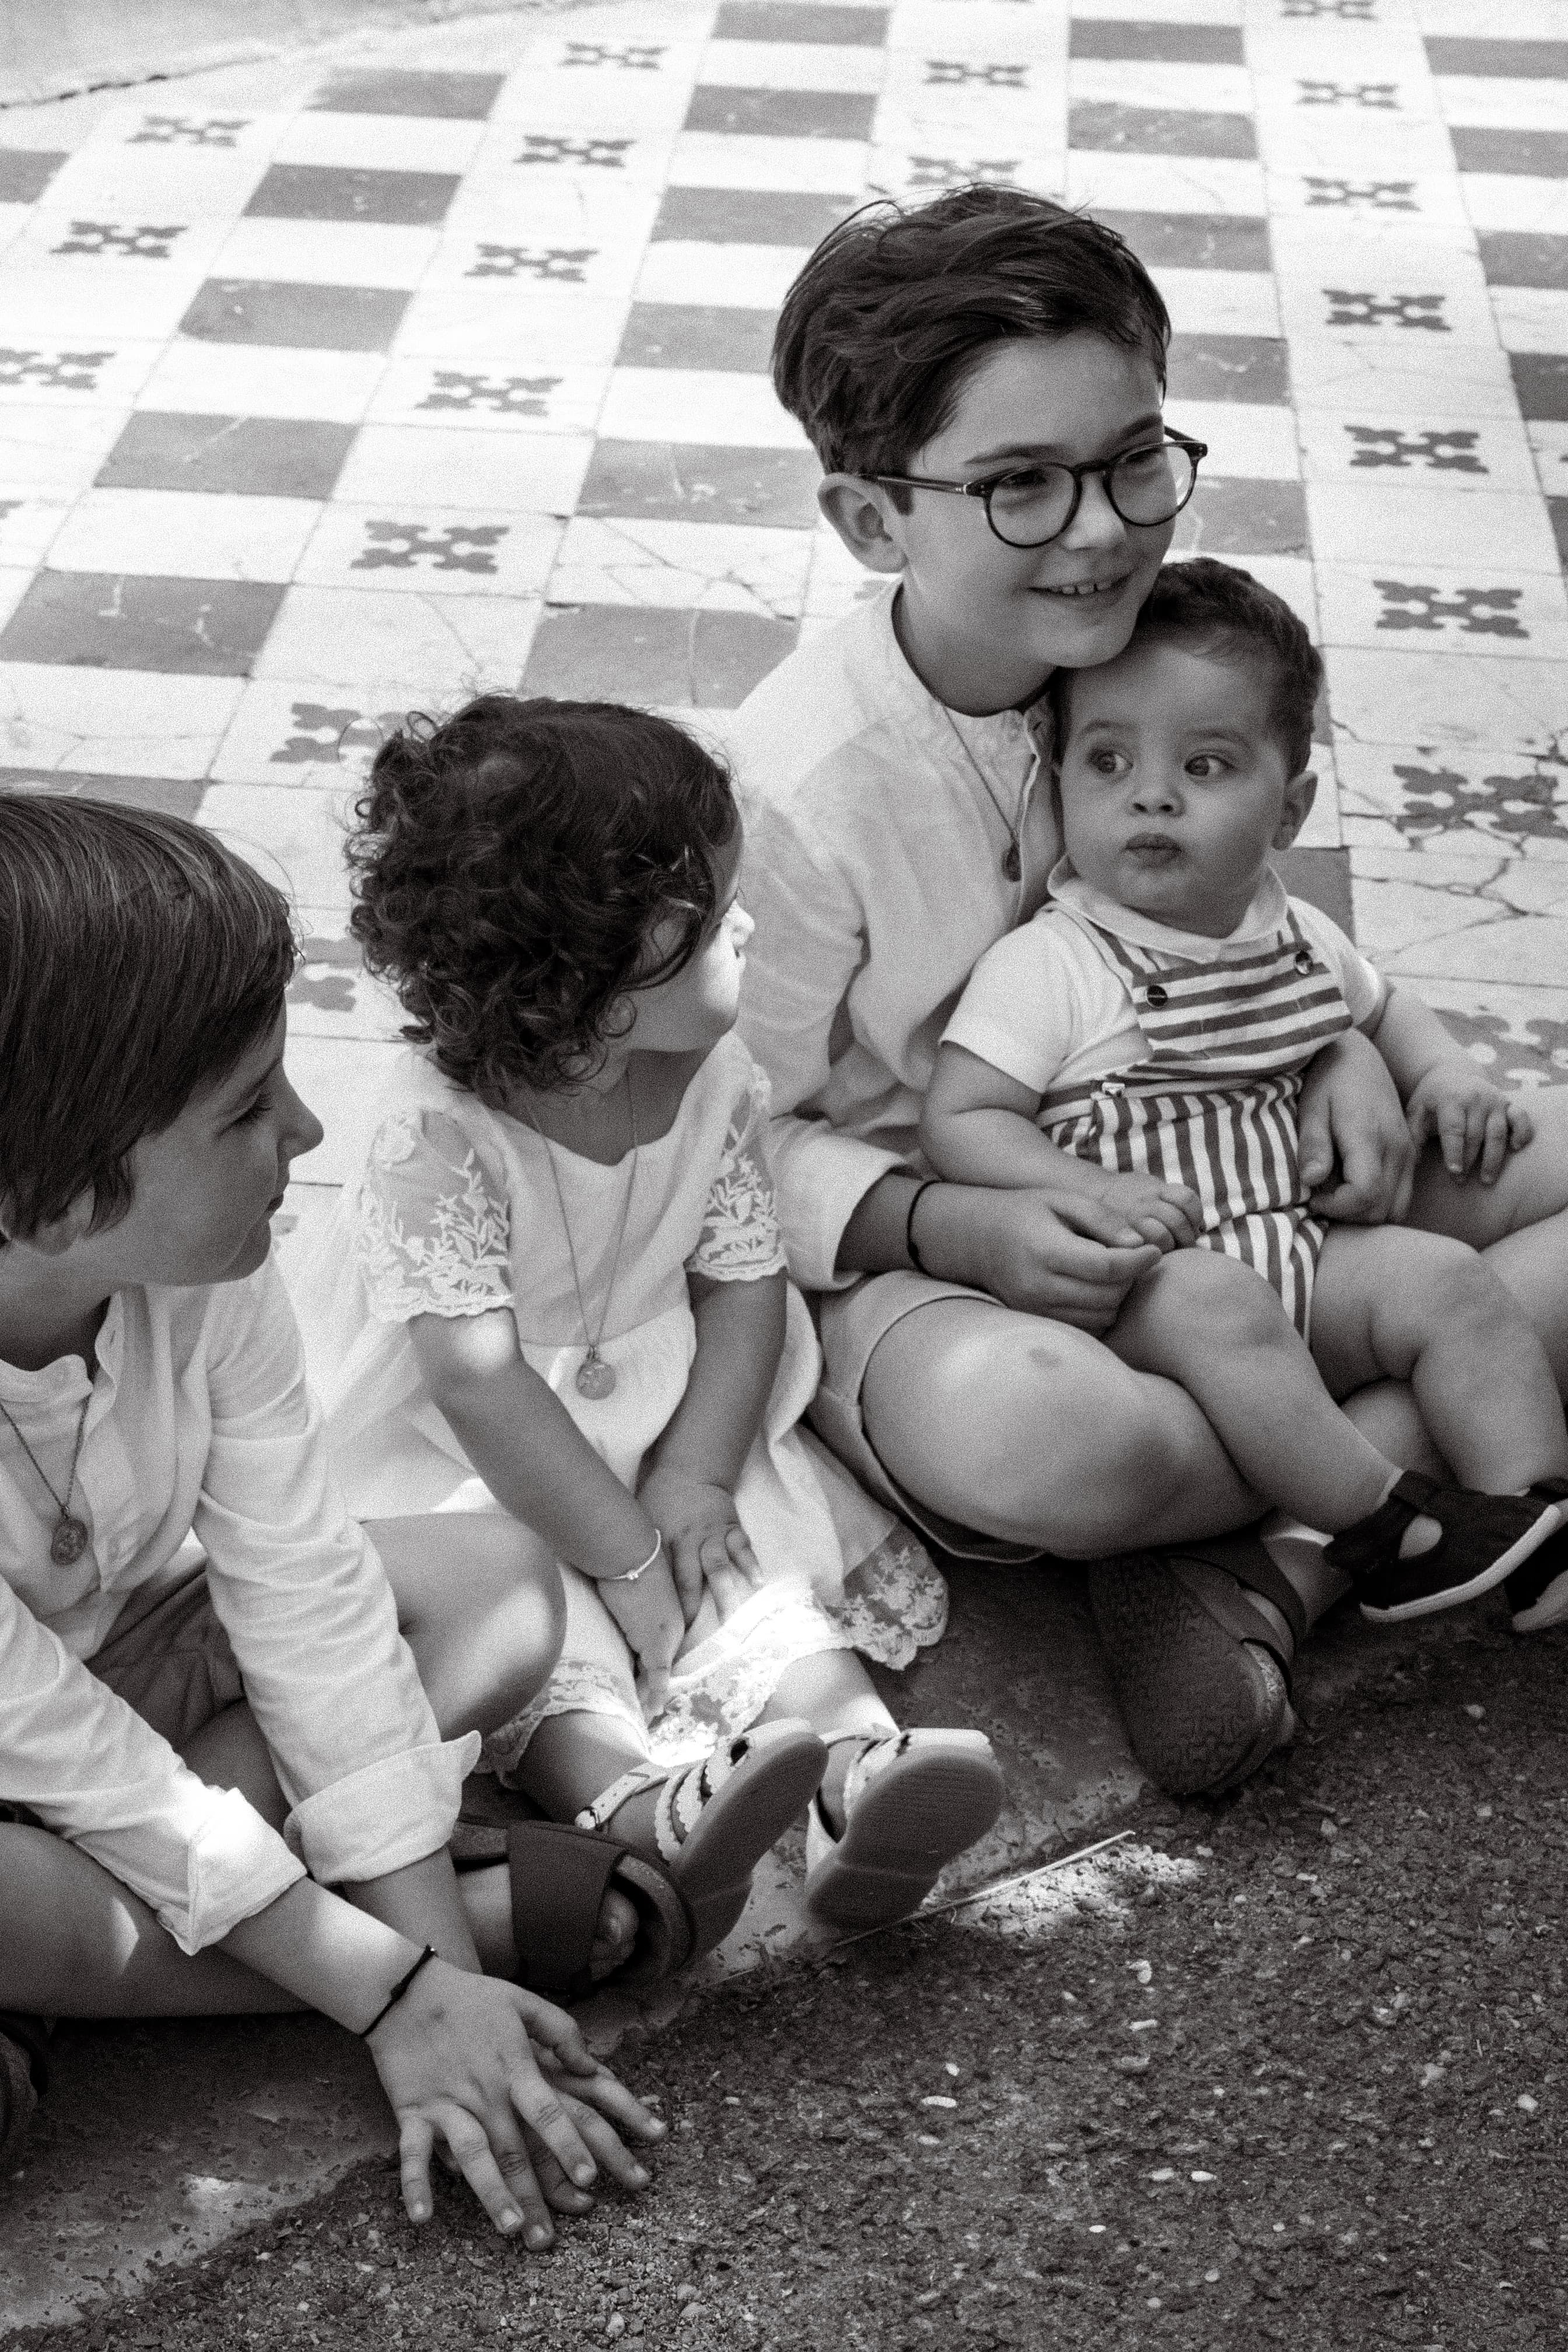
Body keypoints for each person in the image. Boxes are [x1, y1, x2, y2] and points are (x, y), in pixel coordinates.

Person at [722, 181, 1568, 1796]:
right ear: (872, 522)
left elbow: (1231, 872)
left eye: (1130, 461)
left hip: (1236, 1153)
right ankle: (1331, 1513)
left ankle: (1270, 1547)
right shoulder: (795, 796)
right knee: (1055, 1438)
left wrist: (1339, 1051)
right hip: (949, 1239)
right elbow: (716, 1150)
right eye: (1022, 487)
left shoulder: (1127, 628)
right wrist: (949, 1227)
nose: (1103, 526)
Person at [0, 796, 664, 2238]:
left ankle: (66, 2000)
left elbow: (303, 1596)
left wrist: (441, 1988)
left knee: (499, 1582)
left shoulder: (216, 1268)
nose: (306, 1128)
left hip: (113, 1692)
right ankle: (152, 1956)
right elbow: (72, 1756)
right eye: (247, 1110)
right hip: (44, 1757)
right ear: (49, 1203)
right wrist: (400, 1991)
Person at [286, 695, 1003, 1992]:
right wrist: (617, 1548)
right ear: (603, 988)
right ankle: (631, 1803)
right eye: (715, 916)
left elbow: (743, 1285)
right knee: (546, 1632)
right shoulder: (433, 1137)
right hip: (480, 1462)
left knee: (747, 1570)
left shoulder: (715, 1082)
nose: (745, 927)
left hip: (670, 1409)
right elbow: (475, 1381)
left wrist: (694, 1476)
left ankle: (858, 1765)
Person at [921, 556, 1568, 1629]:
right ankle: (1373, 1525)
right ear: (1058, 777)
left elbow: (1380, 1010)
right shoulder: (1058, 962)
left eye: (1208, 765)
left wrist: (1447, 1071)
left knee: (1449, 1283)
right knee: (1218, 1303)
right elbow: (961, 1116)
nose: (1152, 794)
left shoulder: (1292, 929)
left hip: (1300, 1246)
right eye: (1109, 760)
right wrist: (1077, 1187)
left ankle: (1524, 1524)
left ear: (1291, 808)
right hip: (1146, 1287)